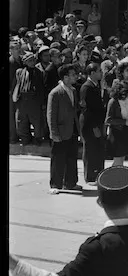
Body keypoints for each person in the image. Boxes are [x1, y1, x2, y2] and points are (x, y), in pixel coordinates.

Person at [47, 64, 83, 194]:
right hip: (61, 131)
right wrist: (54, 133)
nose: (76, 77)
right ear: (65, 77)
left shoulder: (73, 90)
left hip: (72, 129)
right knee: (58, 158)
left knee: (71, 157)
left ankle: (71, 182)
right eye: (73, 75)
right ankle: (55, 184)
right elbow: (51, 115)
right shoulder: (55, 93)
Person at [79, 63, 107, 185]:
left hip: (98, 121)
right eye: (98, 71)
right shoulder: (87, 87)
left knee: (99, 149)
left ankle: (98, 174)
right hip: (90, 123)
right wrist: (94, 126)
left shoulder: (96, 85)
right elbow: (87, 109)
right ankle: (90, 176)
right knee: (90, 149)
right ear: (92, 73)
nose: (101, 73)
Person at [13, 51, 48, 145]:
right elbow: (16, 85)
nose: (32, 62)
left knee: (37, 123)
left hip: (34, 100)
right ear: (25, 62)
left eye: (33, 60)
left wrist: (42, 102)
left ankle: (37, 140)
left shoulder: (40, 72)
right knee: (21, 123)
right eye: (29, 61)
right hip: (22, 101)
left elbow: (42, 89)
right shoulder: (19, 72)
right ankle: (25, 139)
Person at [105, 80, 128, 168]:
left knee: (122, 158)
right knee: (118, 159)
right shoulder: (113, 102)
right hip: (116, 133)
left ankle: (118, 177)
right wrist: (124, 122)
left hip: (125, 131)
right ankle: (110, 177)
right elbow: (109, 120)